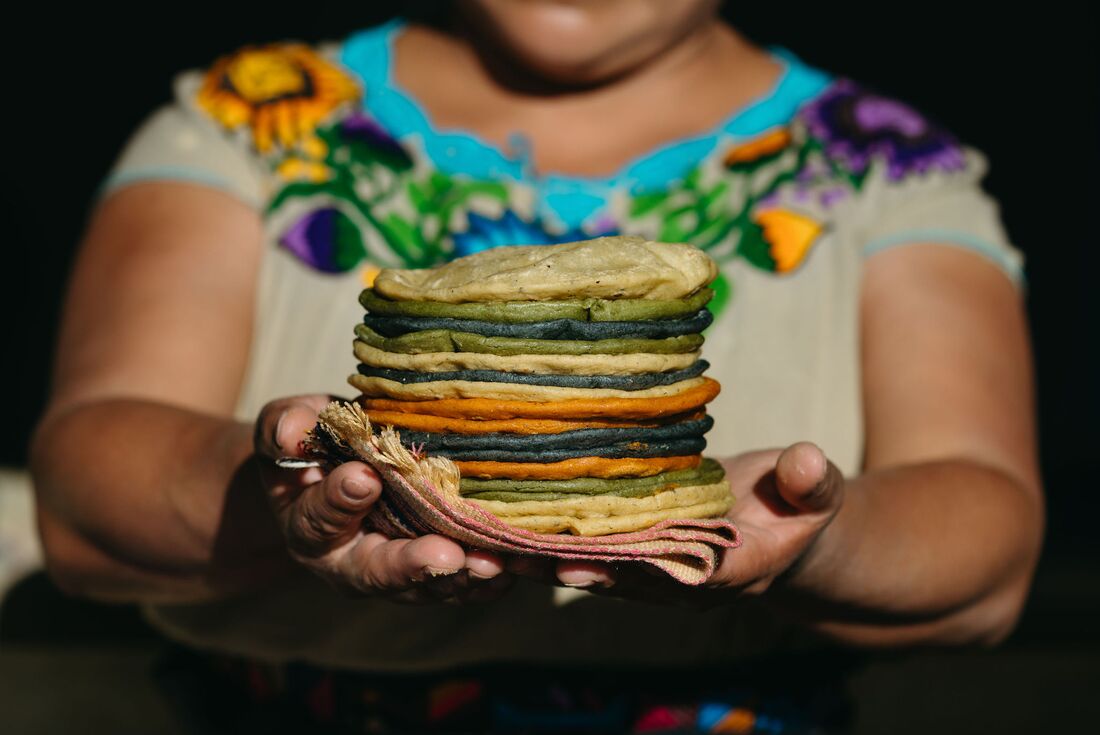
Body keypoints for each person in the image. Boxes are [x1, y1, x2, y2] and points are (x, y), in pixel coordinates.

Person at [30, 0, 1043, 731]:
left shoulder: (887, 171)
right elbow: (84, 490)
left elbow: (984, 553)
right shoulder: (247, 121)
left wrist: (809, 535)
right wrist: (283, 496)